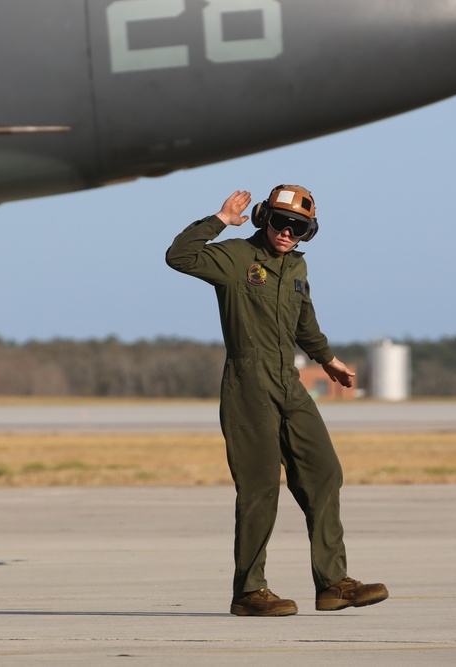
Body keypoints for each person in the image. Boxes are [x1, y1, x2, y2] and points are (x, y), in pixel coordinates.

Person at [165, 185, 388, 617]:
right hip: (248, 385)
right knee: (260, 488)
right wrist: (220, 220)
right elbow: (180, 256)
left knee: (324, 473)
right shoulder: (235, 259)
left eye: (298, 228)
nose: (287, 232)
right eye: (281, 222)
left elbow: (305, 324)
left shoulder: (298, 268)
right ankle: (249, 592)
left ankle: (334, 584)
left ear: (308, 232)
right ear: (264, 218)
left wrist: (329, 360)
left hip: (289, 382)